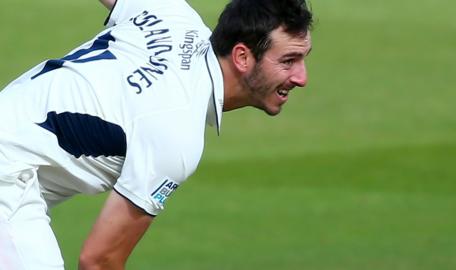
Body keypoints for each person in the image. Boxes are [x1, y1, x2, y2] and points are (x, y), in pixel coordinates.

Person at [0, 0, 313, 268]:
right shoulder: (177, 136)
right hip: (8, 178)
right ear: (242, 57)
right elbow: (99, 260)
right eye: (289, 61)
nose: (302, 78)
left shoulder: (172, 12)